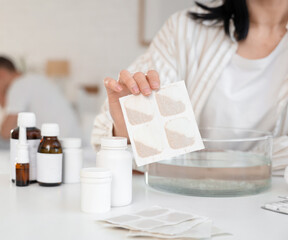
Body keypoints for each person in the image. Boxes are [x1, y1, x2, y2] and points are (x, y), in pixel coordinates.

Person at [92, 0, 288, 169]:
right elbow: (102, 134)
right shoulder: (184, 29)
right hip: (184, 199)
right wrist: (131, 130)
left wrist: (208, 166)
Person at [0, 55, 81, 150]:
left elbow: (5, 133)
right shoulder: (36, 80)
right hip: (71, 141)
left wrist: (0, 95)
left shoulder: (18, 85)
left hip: (51, 144)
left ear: (1, 73)